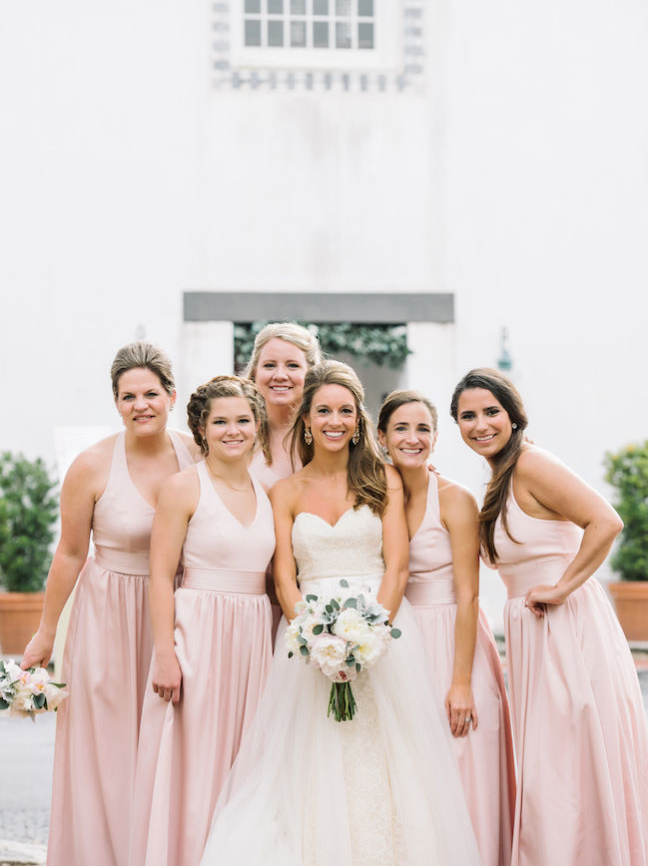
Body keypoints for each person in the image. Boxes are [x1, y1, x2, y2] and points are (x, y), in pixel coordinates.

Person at [200, 361, 481, 865]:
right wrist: (312, 637)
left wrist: (370, 636)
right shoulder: (283, 491)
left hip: (385, 636)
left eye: (346, 411)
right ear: (306, 419)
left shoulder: (384, 480)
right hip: (307, 642)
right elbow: (284, 576)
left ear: (358, 421)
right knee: (311, 757)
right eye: (324, 410)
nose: (335, 420)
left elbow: (396, 568)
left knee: (392, 758)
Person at [451, 367, 648, 866]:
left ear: (513, 415)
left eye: (490, 412)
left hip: (566, 630)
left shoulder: (532, 463)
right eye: (467, 416)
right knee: (554, 764)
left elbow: (606, 520)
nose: (480, 424)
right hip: (534, 635)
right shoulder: (499, 477)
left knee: (566, 763)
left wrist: (563, 587)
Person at [21, 342, 198, 866]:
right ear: (116, 403)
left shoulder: (199, 453)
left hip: (180, 613)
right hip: (107, 615)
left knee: (172, 740)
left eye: (150, 394)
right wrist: (45, 632)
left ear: (171, 395)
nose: (140, 405)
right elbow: (70, 552)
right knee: (108, 746)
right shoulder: (91, 465)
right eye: (128, 396)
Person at [129, 376, 275, 866]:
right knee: (194, 762)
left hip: (254, 638)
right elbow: (160, 574)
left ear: (257, 427)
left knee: (243, 760)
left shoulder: (270, 491)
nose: (233, 431)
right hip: (197, 636)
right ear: (201, 428)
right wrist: (165, 654)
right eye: (220, 422)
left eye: (242, 421)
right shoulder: (183, 487)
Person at [377, 390, 515, 866]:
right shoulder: (374, 497)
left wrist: (460, 682)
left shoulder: (455, 500)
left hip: (455, 640)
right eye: (401, 428)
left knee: (463, 763)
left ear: (435, 440)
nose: (412, 439)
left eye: (422, 429)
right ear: (380, 437)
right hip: (400, 643)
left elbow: (470, 595)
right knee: (410, 772)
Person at [245, 322, 322, 491]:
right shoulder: (237, 433)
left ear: (311, 373)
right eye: (269, 365)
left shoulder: (328, 432)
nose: (280, 375)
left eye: (292, 365)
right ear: (255, 372)